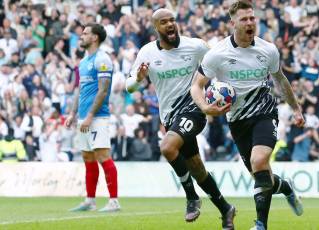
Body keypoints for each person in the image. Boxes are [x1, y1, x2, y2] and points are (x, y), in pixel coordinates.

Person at [190, 1, 304, 229]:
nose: (250, 22)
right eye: (244, 19)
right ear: (233, 23)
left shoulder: (268, 50)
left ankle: (260, 224)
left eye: (252, 18)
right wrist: (205, 107)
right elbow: (196, 86)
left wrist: (296, 108)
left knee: (259, 160)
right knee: (262, 177)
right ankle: (286, 187)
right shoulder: (217, 54)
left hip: (264, 112)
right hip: (237, 121)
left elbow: (280, 80)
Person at [125, 9, 235, 228]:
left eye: (172, 20)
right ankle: (226, 208)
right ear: (156, 28)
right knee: (196, 168)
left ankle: (192, 197)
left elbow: (218, 66)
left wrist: (221, 92)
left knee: (167, 147)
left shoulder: (195, 46)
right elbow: (129, 87)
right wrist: (138, 79)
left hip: (194, 109)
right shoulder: (147, 52)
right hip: (170, 116)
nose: (170, 25)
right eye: (164, 22)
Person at [65, 23, 120, 212]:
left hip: (98, 117)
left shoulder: (103, 59)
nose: (81, 36)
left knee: (103, 155)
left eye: (85, 33)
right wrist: (73, 113)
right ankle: (90, 200)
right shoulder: (83, 61)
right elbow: (80, 90)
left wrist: (89, 115)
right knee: (88, 157)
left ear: (95, 37)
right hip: (83, 117)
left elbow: (103, 91)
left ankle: (114, 201)